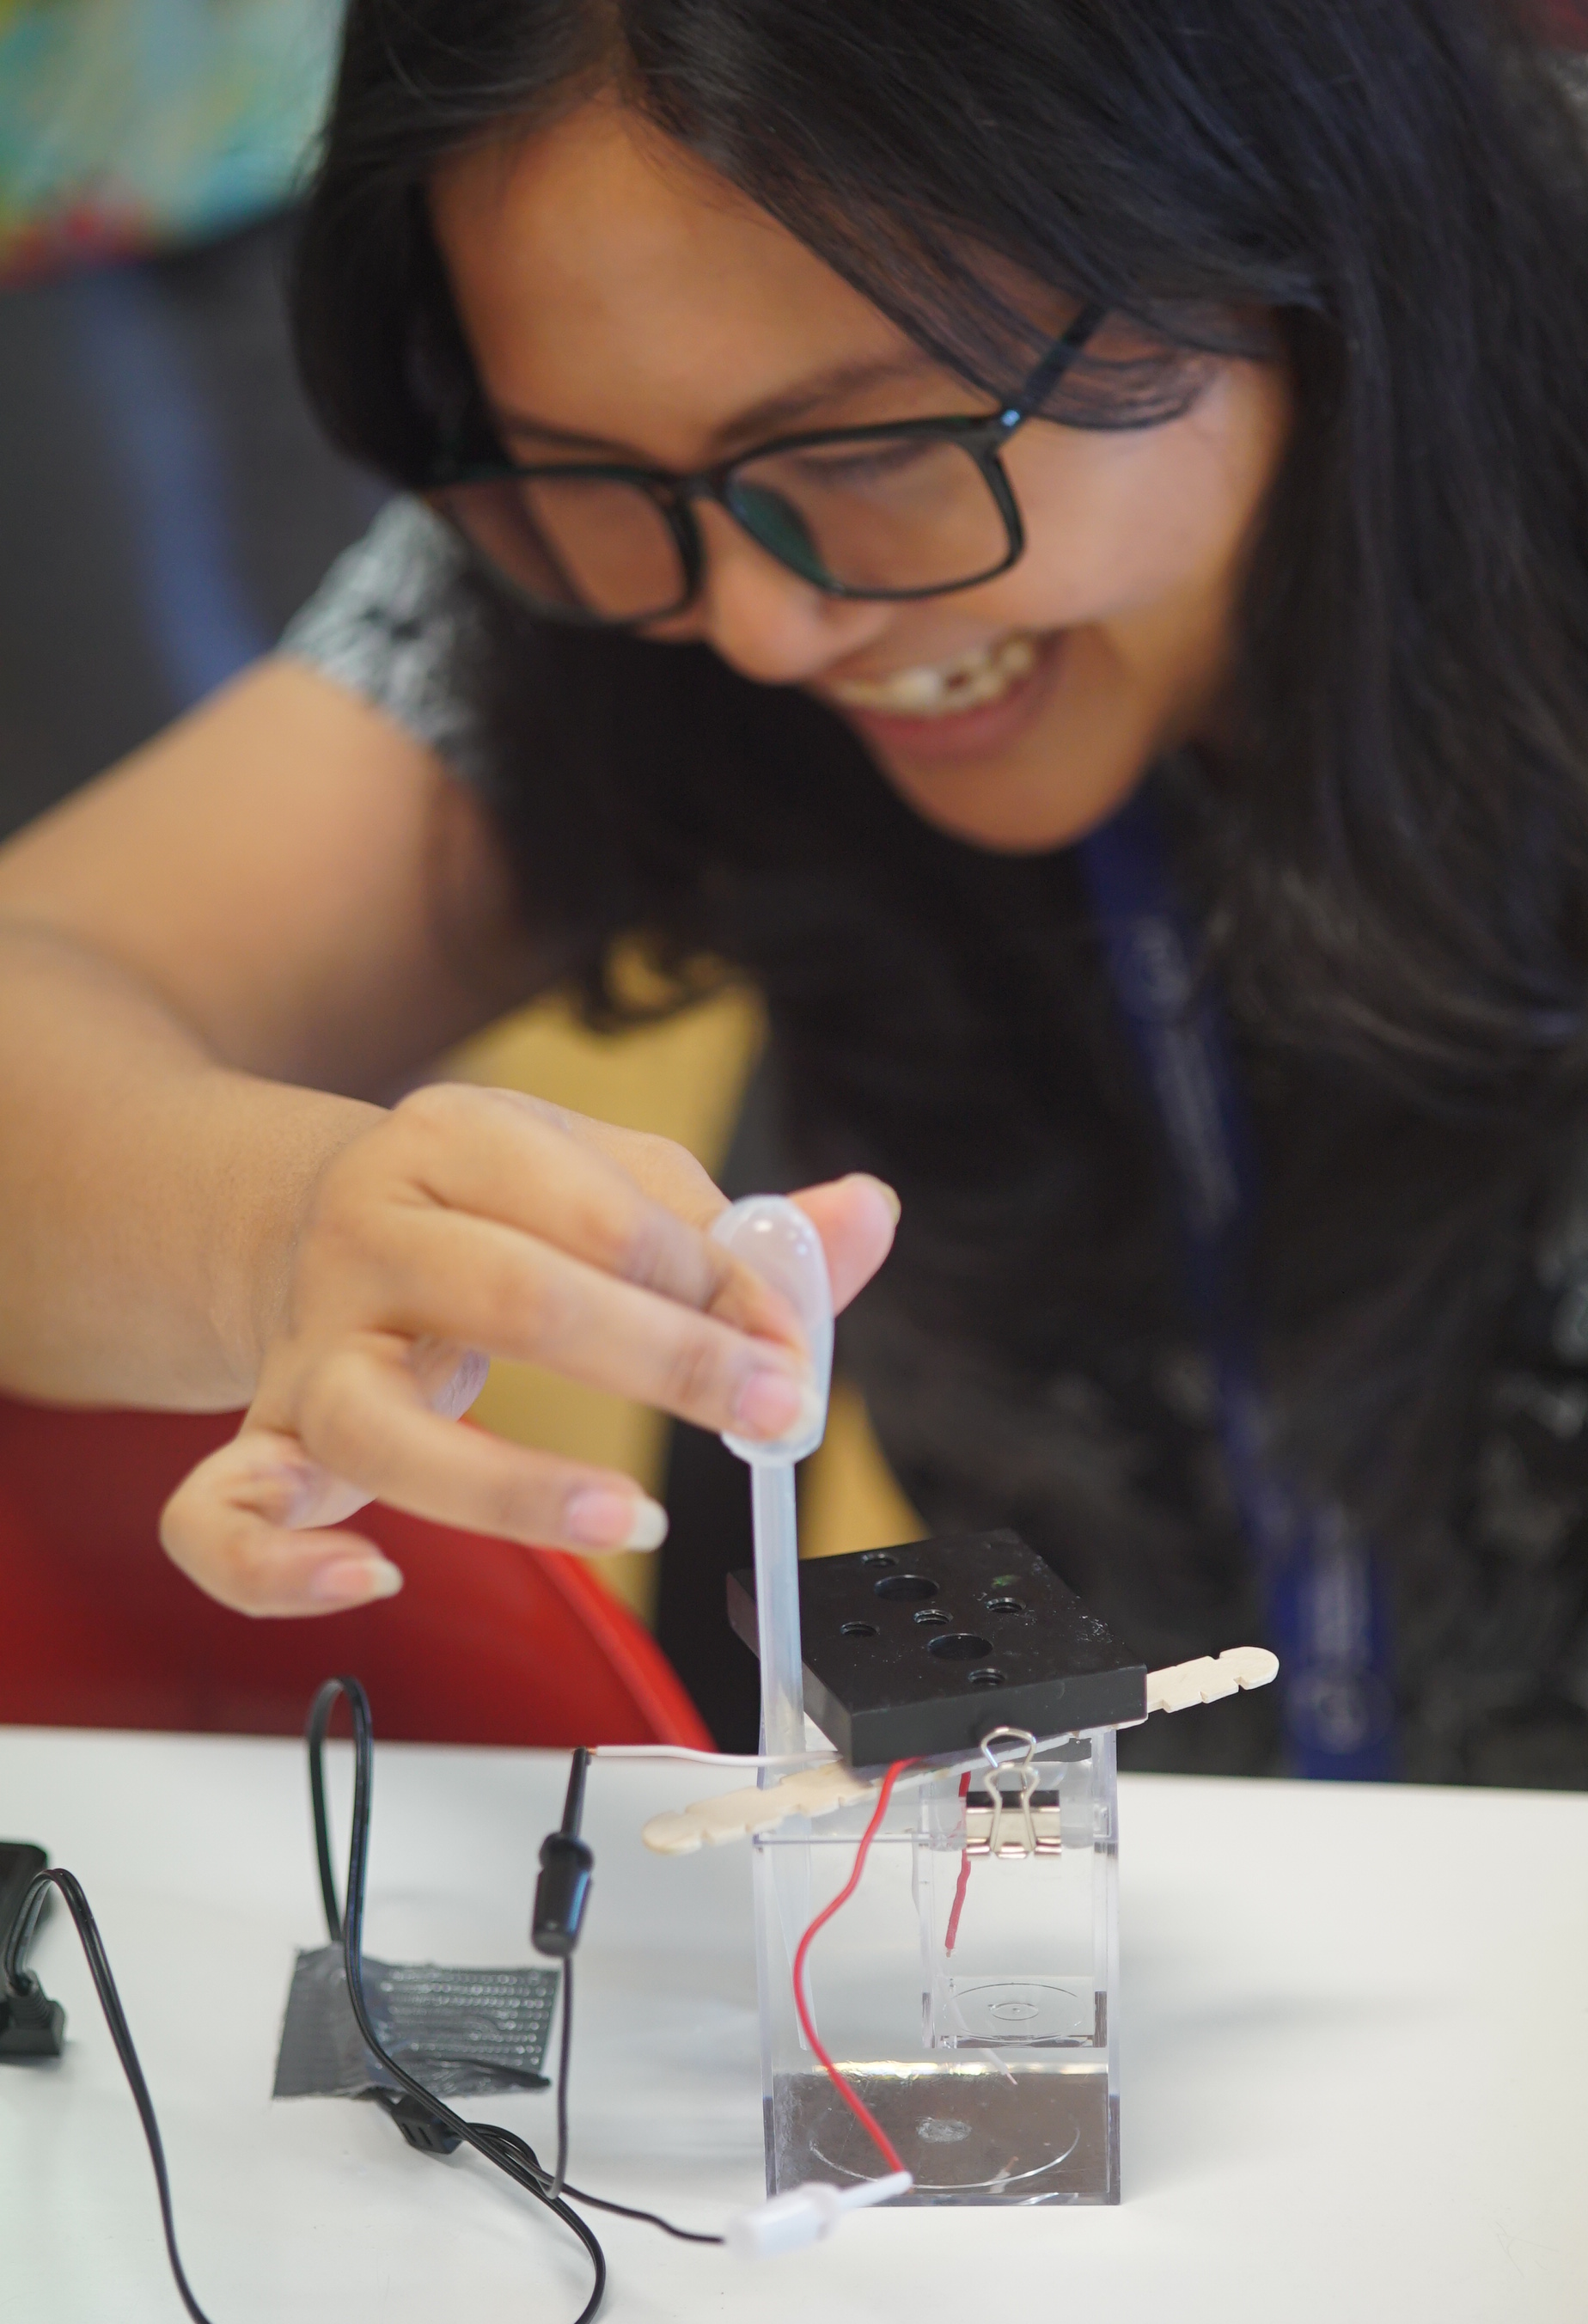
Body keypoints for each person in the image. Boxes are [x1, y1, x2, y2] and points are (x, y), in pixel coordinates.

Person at [3, 0, 1587, 1786]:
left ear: (1289, 200)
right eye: (593, 466)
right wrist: (280, 1227)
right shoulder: (619, 545)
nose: (762, 626)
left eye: (873, 450)